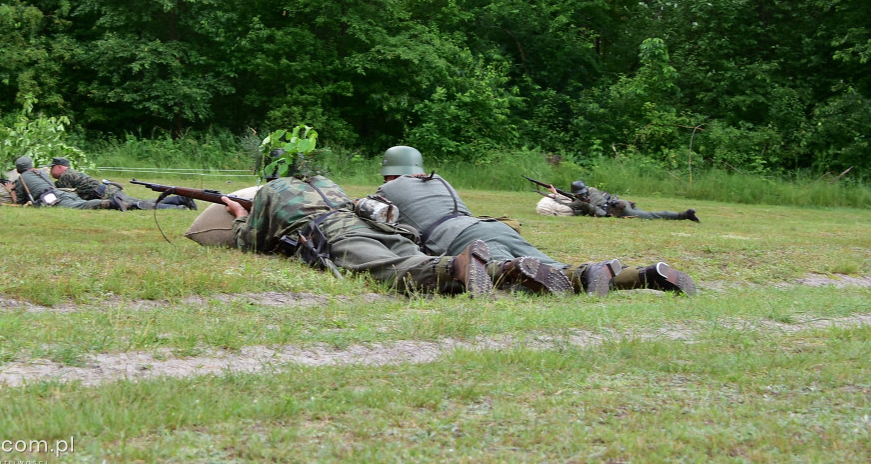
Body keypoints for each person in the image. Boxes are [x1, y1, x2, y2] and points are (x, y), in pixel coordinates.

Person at [375, 146, 697, 297]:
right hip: (492, 225)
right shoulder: (439, 179)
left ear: (390, 171)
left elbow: (386, 231)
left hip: (456, 238)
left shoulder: (385, 191)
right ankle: (642, 275)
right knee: (560, 270)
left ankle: (596, 278)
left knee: (512, 276)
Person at [221, 163, 571, 298]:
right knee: (411, 259)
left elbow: (250, 242)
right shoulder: (326, 181)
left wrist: (238, 212)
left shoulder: (271, 192)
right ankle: (507, 270)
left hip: (334, 234)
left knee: (390, 273)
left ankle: (457, 266)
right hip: (377, 224)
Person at [48, 157, 196, 210]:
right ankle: (178, 199)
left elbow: (61, 194)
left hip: (105, 194)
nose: (50, 170)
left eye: (52, 167)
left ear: (60, 167)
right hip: (108, 190)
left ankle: (179, 206)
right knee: (140, 202)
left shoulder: (65, 176)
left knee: (140, 206)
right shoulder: (73, 173)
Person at [540, 180, 700, 222]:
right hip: (621, 202)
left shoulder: (581, 202)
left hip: (619, 210)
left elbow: (566, 205)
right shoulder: (592, 190)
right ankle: (684, 215)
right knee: (647, 214)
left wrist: (555, 195)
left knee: (652, 215)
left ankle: (684, 215)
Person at [11, 156, 120, 210]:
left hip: (49, 198)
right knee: (79, 201)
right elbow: (52, 185)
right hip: (59, 193)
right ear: (31, 165)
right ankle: (128, 204)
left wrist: (10, 191)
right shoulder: (40, 173)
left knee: (80, 206)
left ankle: (110, 203)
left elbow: (20, 202)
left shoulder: (21, 179)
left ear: (18, 169)